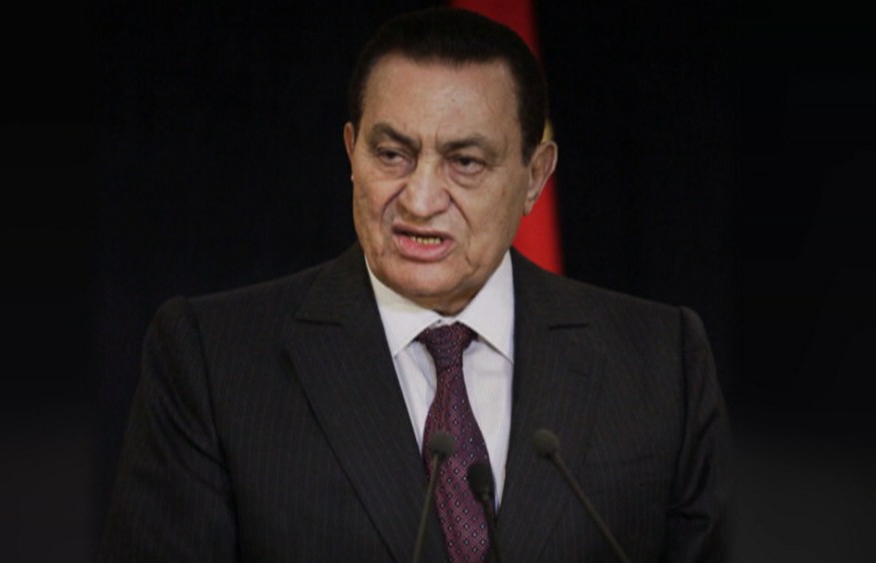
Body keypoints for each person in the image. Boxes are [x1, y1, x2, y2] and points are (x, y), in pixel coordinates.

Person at [98, 7, 729, 563]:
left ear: (535, 176)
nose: (420, 200)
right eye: (391, 155)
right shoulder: (213, 360)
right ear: (351, 153)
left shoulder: (660, 360)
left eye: (465, 162)